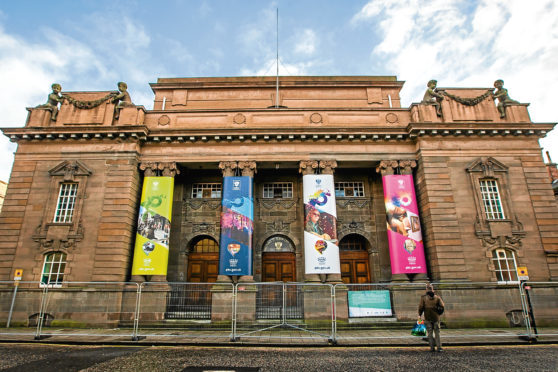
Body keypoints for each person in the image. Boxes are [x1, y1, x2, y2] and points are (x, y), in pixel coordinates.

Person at [418, 283, 445, 352]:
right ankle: (439, 347)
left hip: (427, 317)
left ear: (426, 289)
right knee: (437, 333)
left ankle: (432, 348)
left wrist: (419, 315)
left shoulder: (423, 298)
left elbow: (421, 307)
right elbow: (442, 306)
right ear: (433, 289)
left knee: (429, 333)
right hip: (436, 317)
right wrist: (439, 313)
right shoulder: (437, 297)